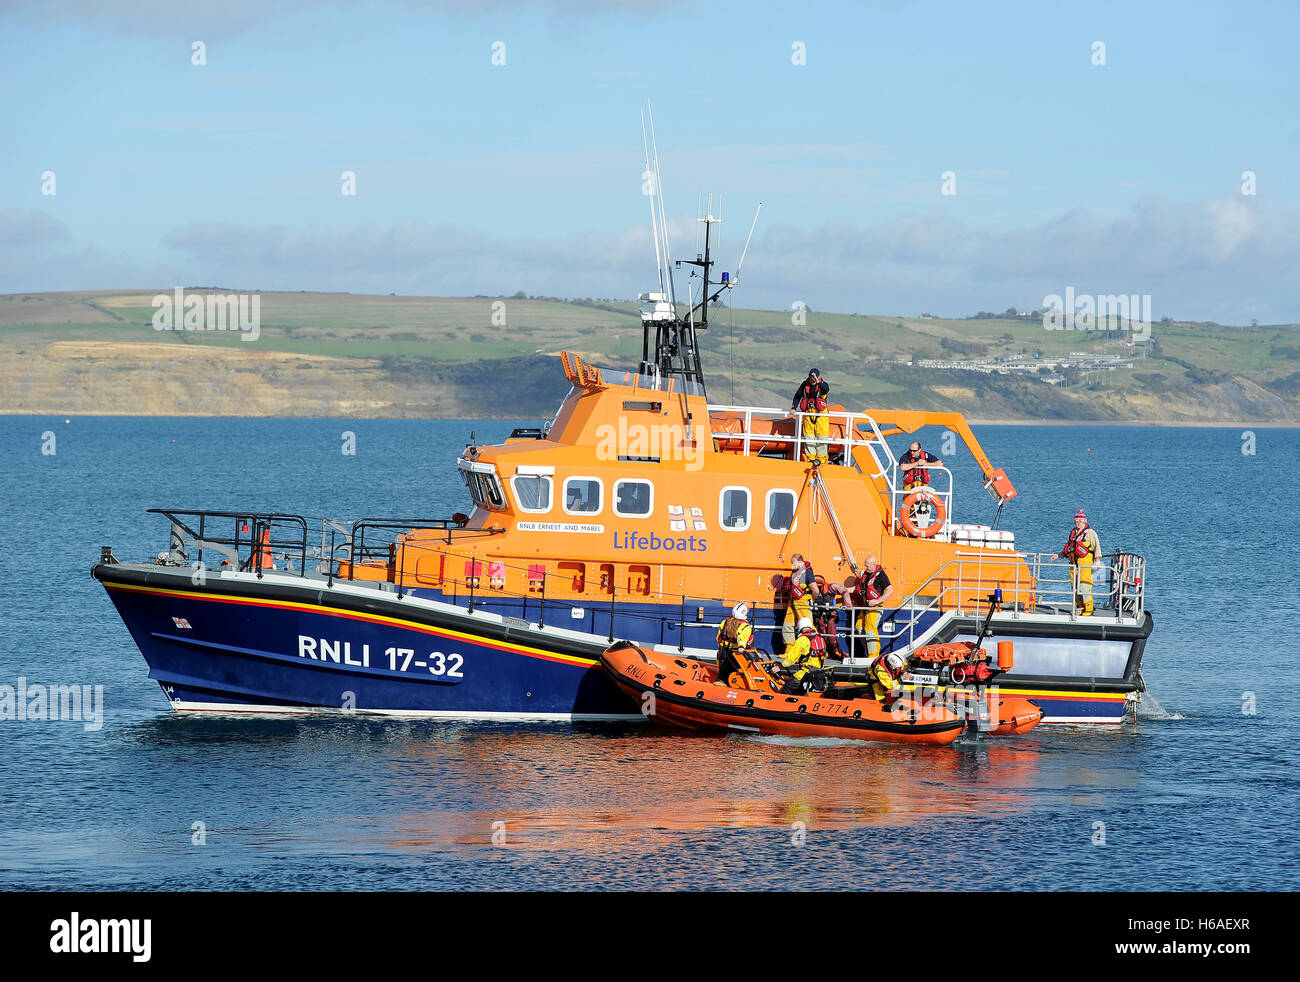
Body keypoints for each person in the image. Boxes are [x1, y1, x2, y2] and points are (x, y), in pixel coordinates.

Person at [849, 554, 894, 658]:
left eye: (867, 565)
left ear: (874, 564)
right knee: (859, 628)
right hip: (865, 606)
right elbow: (858, 588)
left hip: (875, 607)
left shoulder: (881, 576)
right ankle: (869, 650)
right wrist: (844, 590)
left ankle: (873, 655)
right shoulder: (866, 574)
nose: (866, 567)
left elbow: (890, 590)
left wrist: (877, 601)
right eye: (865, 565)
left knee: (870, 629)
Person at [1058, 509, 1101, 616]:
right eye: (1076, 521)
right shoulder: (1073, 533)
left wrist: (1097, 560)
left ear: (1084, 522)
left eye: (1080, 521)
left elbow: (1097, 547)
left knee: (1084, 586)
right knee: (1074, 587)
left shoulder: (1090, 533)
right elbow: (1069, 547)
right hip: (1073, 564)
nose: (1077, 523)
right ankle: (1080, 607)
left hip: (1085, 564)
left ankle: (1089, 608)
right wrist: (1059, 555)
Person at [776, 617, 826, 694]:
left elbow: (791, 657)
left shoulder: (802, 640)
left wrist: (780, 666)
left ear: (799, 627)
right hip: (819, 673)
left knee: (787, 689)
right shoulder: (820, 637)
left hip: (806, 673)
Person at [791, 368, 830, 465]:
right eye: (811, 377)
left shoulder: (822, 384)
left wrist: (818, 382)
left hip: (821, 415)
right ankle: (811, 458)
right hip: (808, 415)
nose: (812, 379)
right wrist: (793, 408)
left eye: (814, 377)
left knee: (822, 437)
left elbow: (826, 389)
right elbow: (797, 396)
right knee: (809, 437)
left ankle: (821, 459)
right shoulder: (804, 385)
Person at [782, 553, 820, 645]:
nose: (792, 565)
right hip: (793, 602)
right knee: (787, 625)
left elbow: (815, 590)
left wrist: (811, 600)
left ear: (800, 562)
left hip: (803, 602)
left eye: (793, 563)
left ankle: (814, 648)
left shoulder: (807, 572)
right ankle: (789, 649)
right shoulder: (794, 573)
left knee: (807, 626)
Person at [715, 602, 755, 685]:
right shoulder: (744, 626)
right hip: (735, 652)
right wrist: (741, 647)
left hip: (724, 650)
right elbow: (742, 637)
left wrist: (720, 646)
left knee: (723, 669)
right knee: (735, 669)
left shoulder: (725, 622)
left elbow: (719, 635)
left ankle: (721, 681)